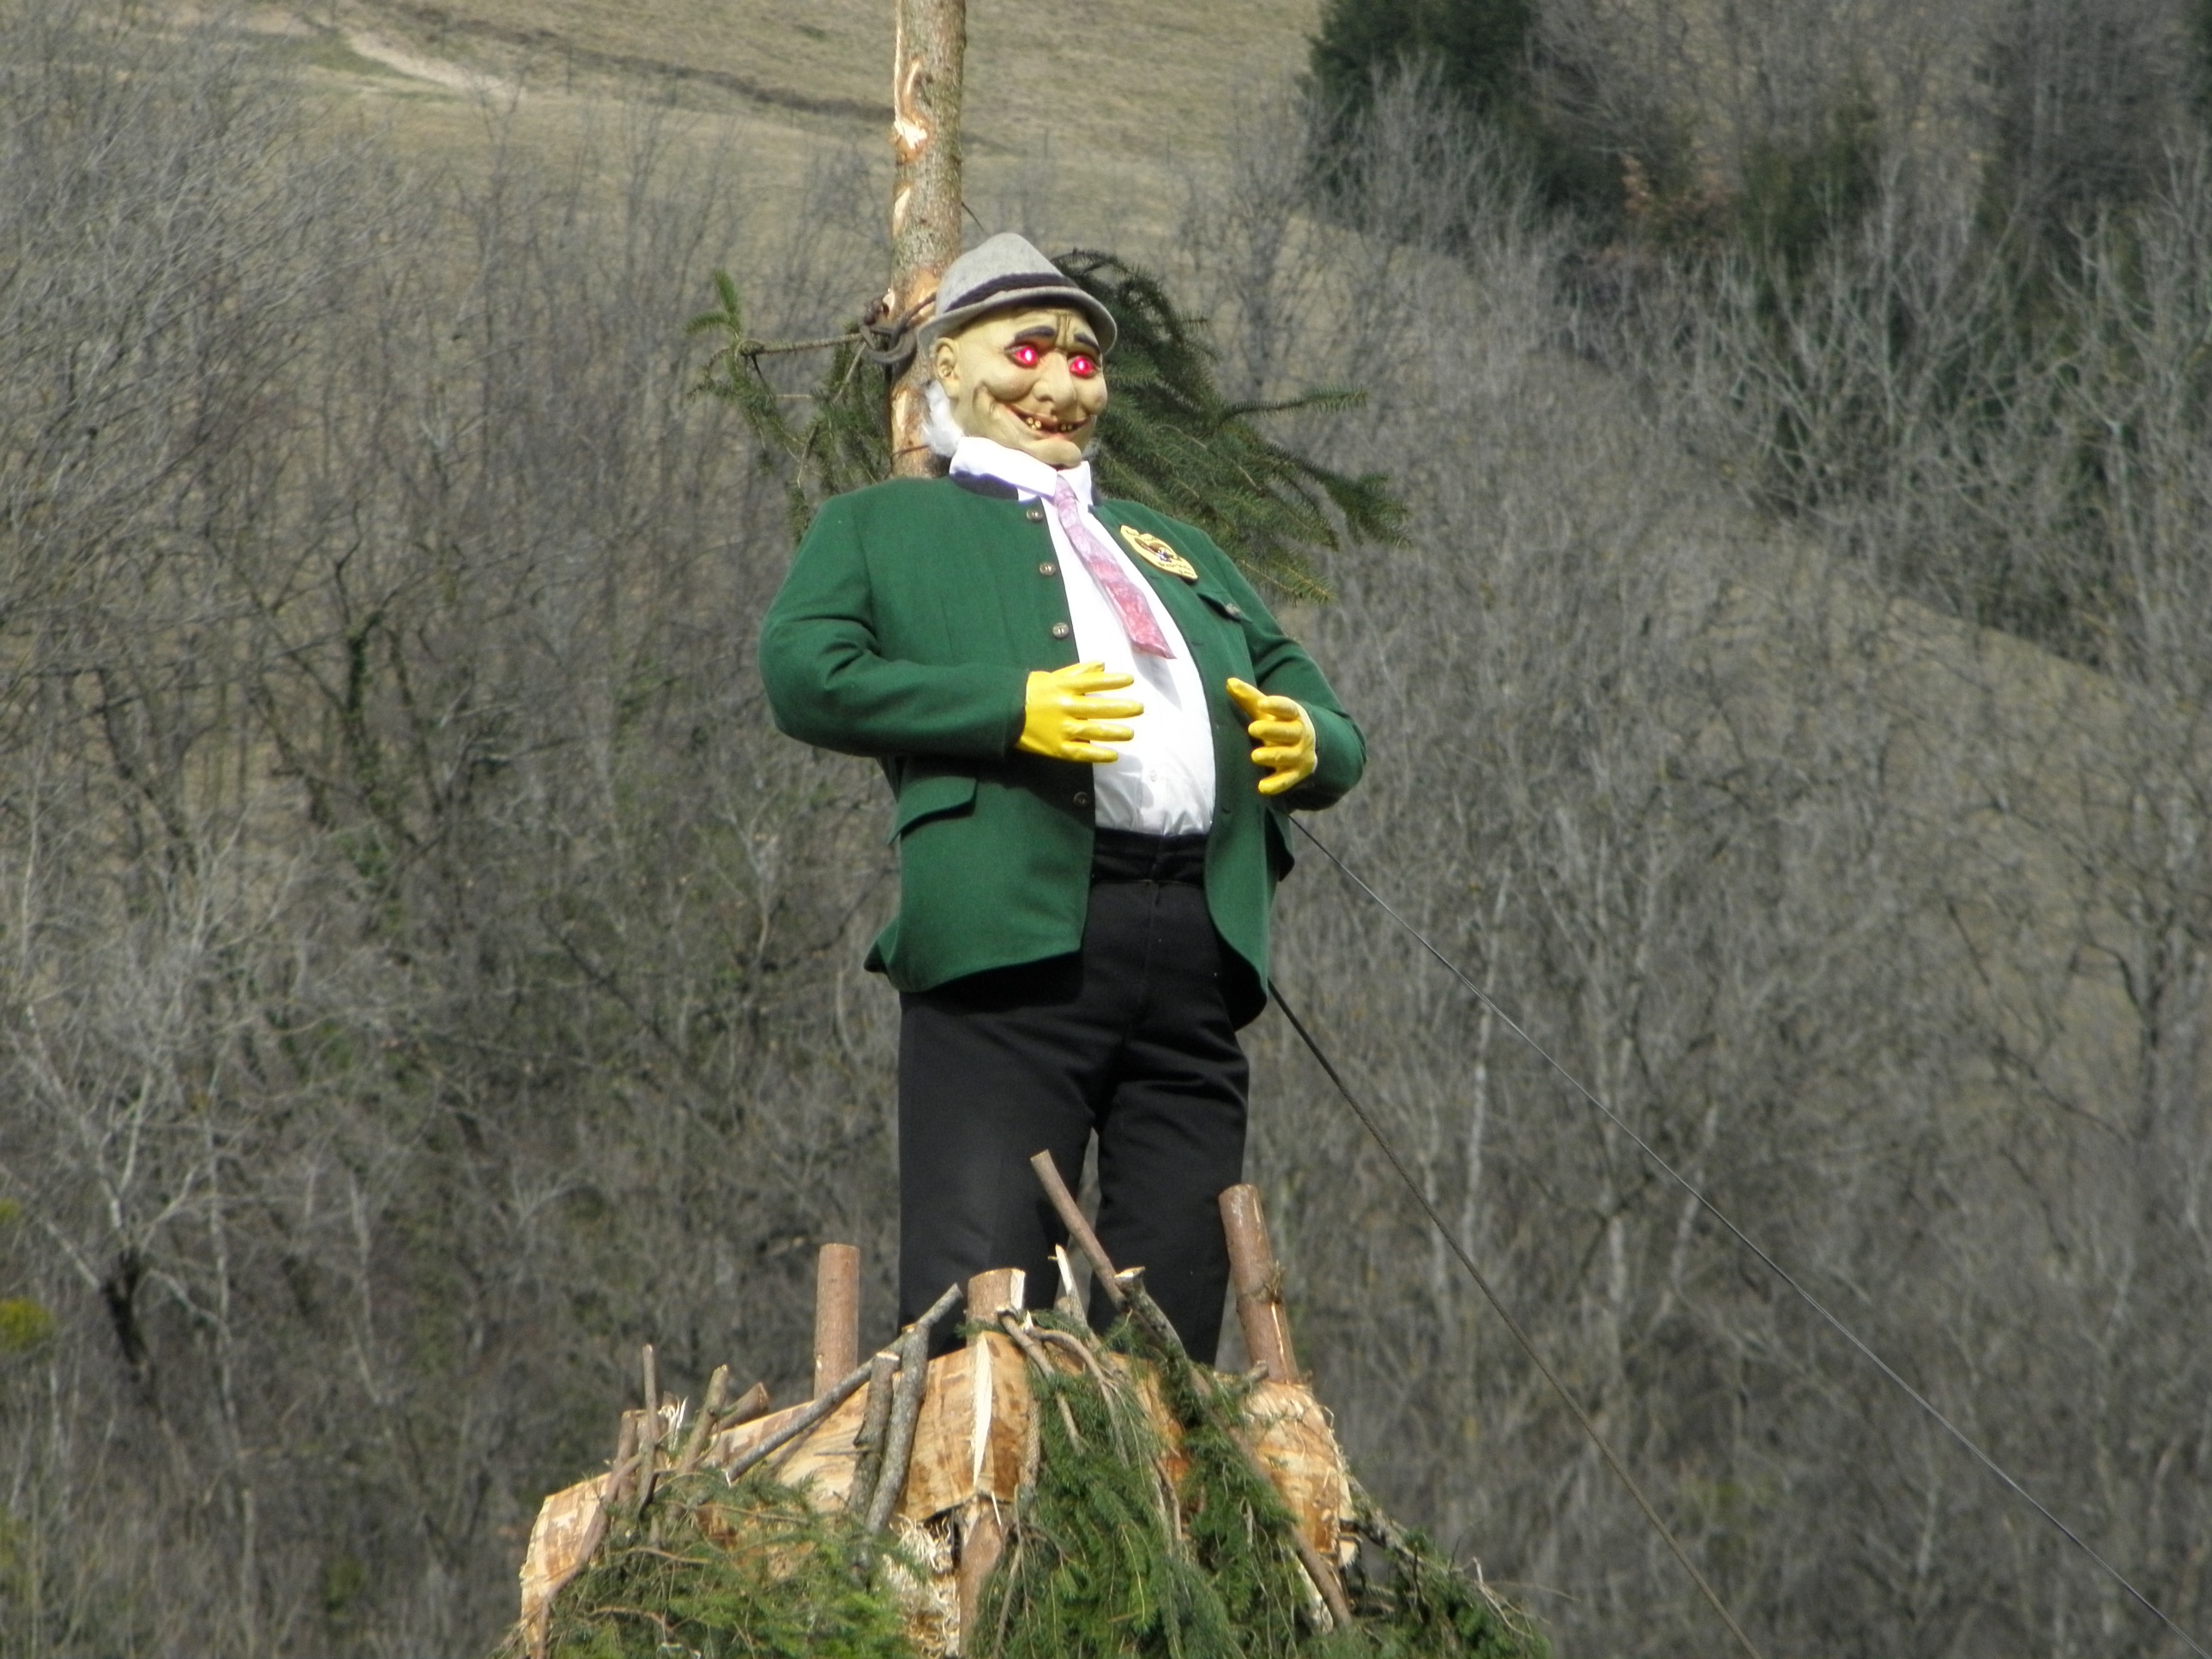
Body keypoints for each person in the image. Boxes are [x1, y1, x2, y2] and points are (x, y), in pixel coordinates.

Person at [759, 234, 1364, 1360]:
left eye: (1085, 362)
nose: (1059, 384)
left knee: (1176, 1291)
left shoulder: (1173, 546)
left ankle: (1154, 1456)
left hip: (1196, 943)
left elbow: (1305, 688)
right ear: (948, 365)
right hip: (1010, 938)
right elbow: (805, 674)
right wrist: (1010, 708)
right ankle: (985, 1464)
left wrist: (1314, 742)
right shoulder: (879, 528)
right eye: (1028, 350)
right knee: (986, 1294)